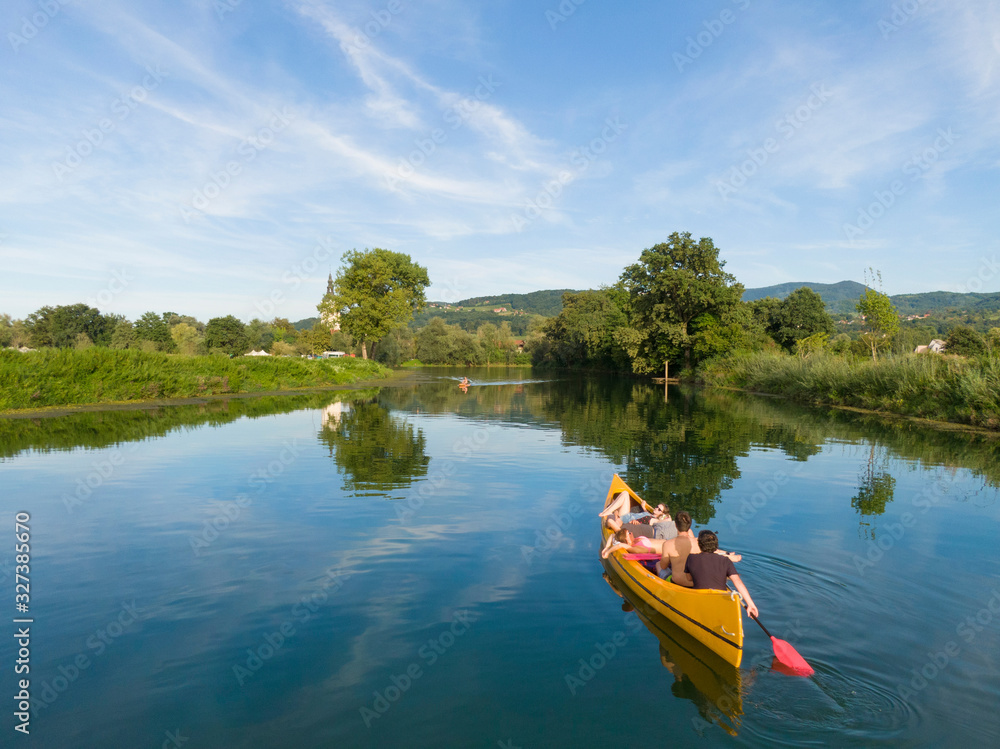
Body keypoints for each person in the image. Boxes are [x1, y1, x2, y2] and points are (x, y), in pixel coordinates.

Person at [672, 530, 758, 619]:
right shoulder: (725, 560)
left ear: (699, 545)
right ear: (716, 546)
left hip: (700, 600)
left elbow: (689, 578)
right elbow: (738, 582)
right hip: (720, 601)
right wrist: (750, 604)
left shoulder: (691, 558)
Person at [655, 512, 740, 578]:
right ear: (689, 526)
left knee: (658, 564)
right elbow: (713, 552)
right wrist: (726, 553)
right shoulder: (698, 542)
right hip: (693, 582)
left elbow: (663, 566)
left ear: (676, 526)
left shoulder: (667, 544)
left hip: (677, 581)